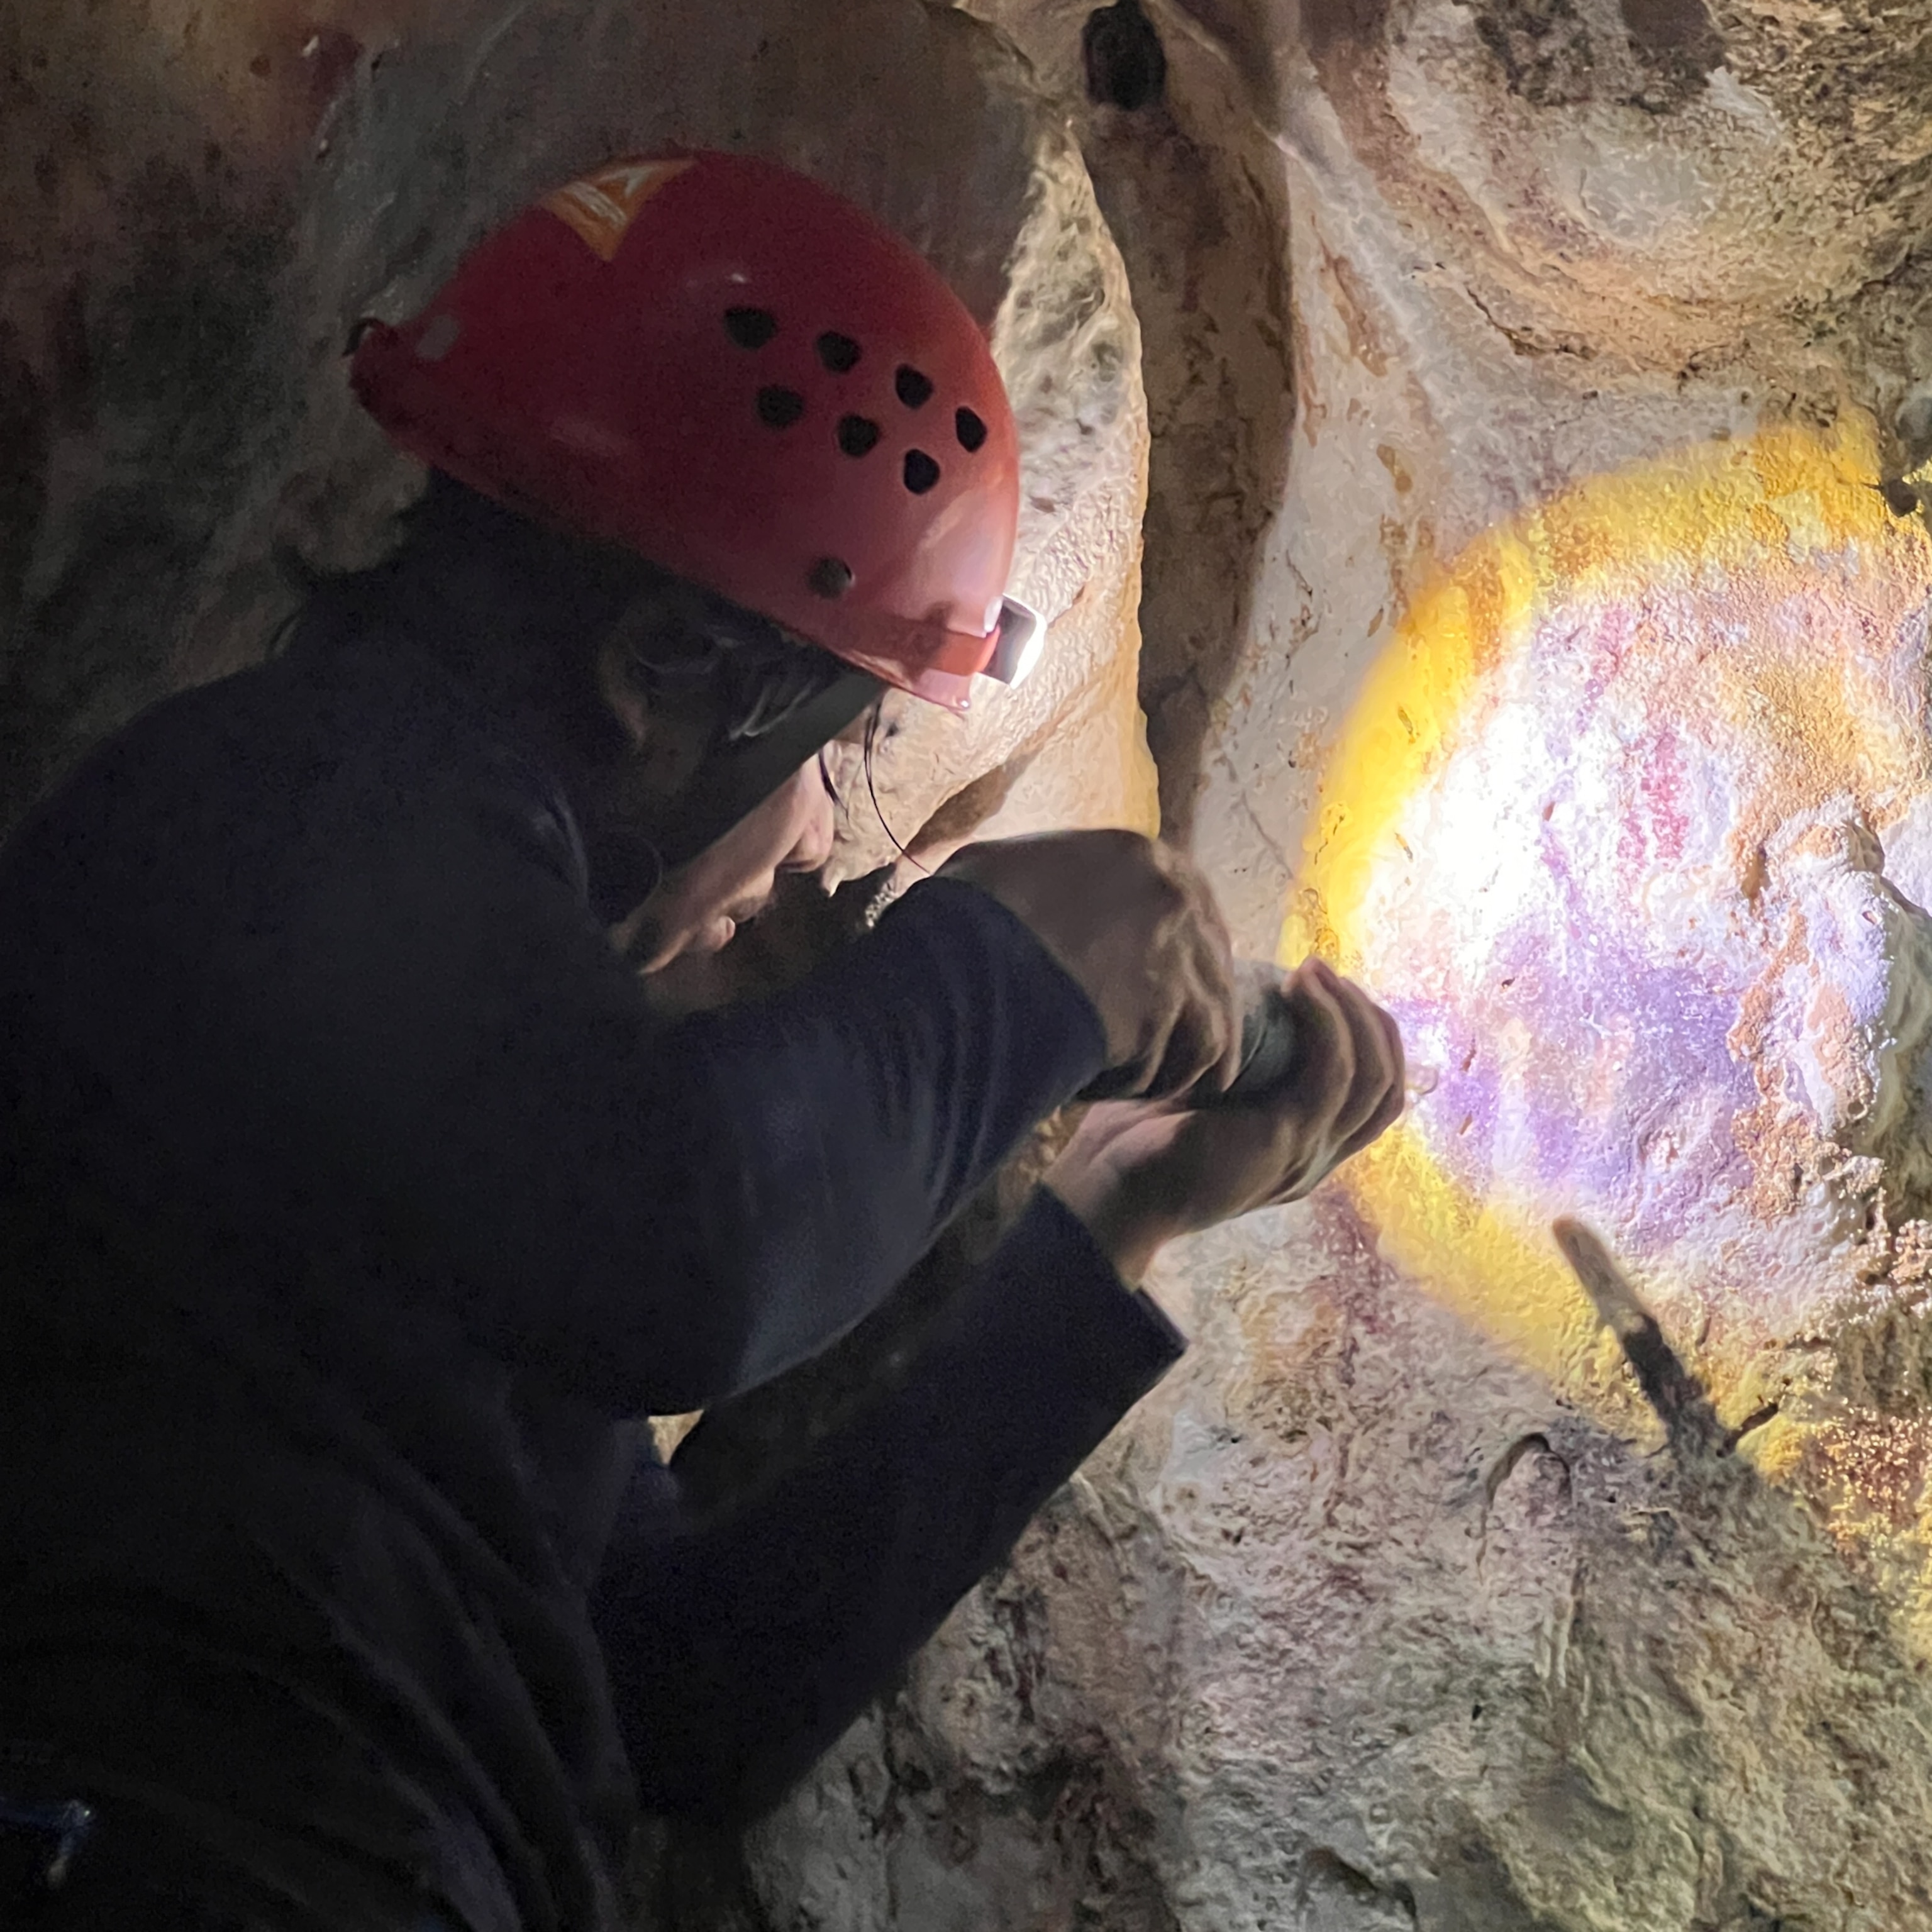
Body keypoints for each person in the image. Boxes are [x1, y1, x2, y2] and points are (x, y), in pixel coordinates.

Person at [0, 152, 1403, 1931]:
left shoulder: (467, 1063)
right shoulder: (291, 810)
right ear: (660, 670)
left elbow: (678, 1697)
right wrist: (1023, 966)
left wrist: (1103, 1233)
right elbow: (675, 1243)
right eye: (837, 746)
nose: (819, 832)